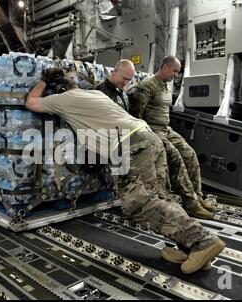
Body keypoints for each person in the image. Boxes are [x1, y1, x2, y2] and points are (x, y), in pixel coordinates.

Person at [25, 68, 226, 274]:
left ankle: (203, 241)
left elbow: (30, 102)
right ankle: (189, 248)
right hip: (148, 137)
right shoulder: (95, 93)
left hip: (132, 144)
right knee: (160, 198)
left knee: (139, 203)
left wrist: (43, 80)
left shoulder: (63, 99)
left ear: (61, 89)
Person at [128, 56, 215, 219]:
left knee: (190, 154)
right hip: (153, 130)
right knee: (177, 160)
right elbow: (136, 117)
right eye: (174, 71)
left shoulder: (166, 86)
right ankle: (191, 204)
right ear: (165, 67)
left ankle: (197, 195)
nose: (176, 75)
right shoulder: (147, 86)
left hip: (166, 129)